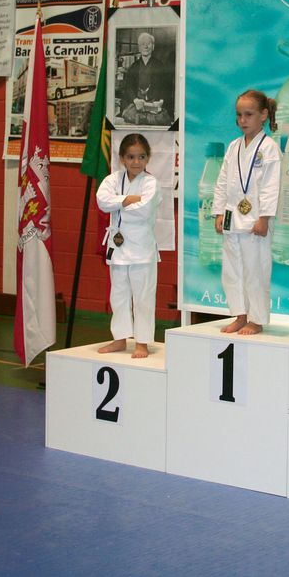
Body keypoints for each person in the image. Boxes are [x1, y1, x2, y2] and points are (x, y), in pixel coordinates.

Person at [213, 89, 281, 335]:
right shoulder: (234, 147)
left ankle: (256, 319)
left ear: (263, 115)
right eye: (239, 115)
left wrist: (264, 218)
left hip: (255, 221)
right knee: (232, 270)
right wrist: (219, 211)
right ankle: (240, 314)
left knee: (256, 270)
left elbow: (271, 186)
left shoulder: (269, 148)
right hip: (232, 218)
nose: (242, 120)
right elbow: (222, 181)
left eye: (248, 114)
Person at [96, 133, 163, 358]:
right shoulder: (113, 180)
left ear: (148, 158)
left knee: (143, 297)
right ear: (122, 158)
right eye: (131, 157)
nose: (136, 162)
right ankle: (120, 338)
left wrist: (118, 202)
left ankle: (142, 342)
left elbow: (144, 210)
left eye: (141, 157)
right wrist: (129, 199)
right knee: (119, 295)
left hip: (142, 248)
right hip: (118, 247)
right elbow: (102, 201)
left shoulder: (151, 182)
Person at [120, 32, 173, 126]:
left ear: (153, 47)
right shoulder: (133, 67)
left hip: (154, 104)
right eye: (143, 44)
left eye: (148, 43)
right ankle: (145, 118)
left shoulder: (160, 66)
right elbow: (128, 87)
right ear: (139, 48)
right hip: (138, 104)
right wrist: (135, 100)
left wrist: (161, 101)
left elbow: (166, 87)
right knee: (128, 114)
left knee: (162, 118)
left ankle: (143, 118)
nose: (146, 46)